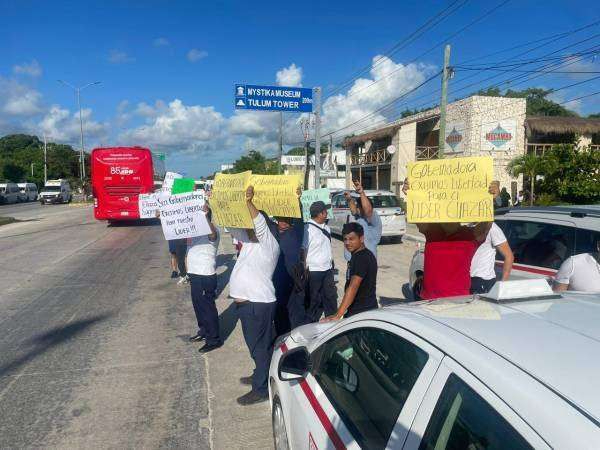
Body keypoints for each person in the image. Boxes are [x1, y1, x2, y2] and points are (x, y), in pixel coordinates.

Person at [229, 185, 280, 406]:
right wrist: (214, 205)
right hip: (249, 304)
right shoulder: (250, 242)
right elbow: (231, 226)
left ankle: (260, 389)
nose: (249, 227)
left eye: (253, 224)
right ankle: (261, 373)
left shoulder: (270, 244)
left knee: (258, 347)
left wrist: (250, 202)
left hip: (257, 304)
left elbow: (259, 224)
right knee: (261, 347)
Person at [403, 179, 488, 299]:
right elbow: (417, 213)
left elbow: (485, 227)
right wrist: (411, 195)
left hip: (459, 303)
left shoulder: (469, 236)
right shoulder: (432, 231)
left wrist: (492, 199)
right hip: (429, 302)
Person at [323, 222, 378, 320]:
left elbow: (353, 286)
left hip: (361, 313)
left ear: (361, 239)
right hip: (364, 310)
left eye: (351, 239)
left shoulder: (361, 258)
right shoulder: (361, 255)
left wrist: (338, 315)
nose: (347, 243)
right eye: (345, 239)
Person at [186, 204, 222, 353]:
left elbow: (212, 235)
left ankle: (214, 339)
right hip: (194, 274)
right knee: (198, 306)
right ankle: (203, 331)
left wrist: (205, 217)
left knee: (207, 308)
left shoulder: (213, 230)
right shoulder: (193, 231)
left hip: (205, 275)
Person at [302, 201, 337, 322]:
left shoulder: (327, 228)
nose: (327, 213)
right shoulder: (307, 229)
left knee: (331, 298)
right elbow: (303, 250)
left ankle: (332, 324)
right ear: (320, 213)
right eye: (325, 211)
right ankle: (309, 325)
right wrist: (303, 269)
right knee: (313, 301)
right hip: (313, 272)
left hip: (327, 270)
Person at [343, 180, 383, 263]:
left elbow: (368, 211)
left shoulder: (373, 219)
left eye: (358, 207)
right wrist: (349, 199)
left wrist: (361, 192)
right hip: (353, 262)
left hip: (365, 264)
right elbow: (354, 210)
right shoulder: (359, 217)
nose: (356, 208)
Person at [470, 222, 514, 294]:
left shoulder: (492, 228)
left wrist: (503, 285)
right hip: (466, 278)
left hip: (482, 279)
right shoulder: (466, 224)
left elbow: (509, 256)